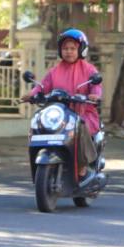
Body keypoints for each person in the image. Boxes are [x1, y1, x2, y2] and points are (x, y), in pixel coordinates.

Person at [24, 28, 102, 182]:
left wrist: (95, 95)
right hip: (60, 115)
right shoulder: (55, 71)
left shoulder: (89, 69)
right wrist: (32, 94)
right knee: (38, 123)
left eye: (72, 48)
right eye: (65, 48)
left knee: (80, 127)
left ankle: (83, 165)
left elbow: (96, 86)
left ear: (81, 49)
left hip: (82, 113)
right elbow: (42, 86)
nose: (69, 52)